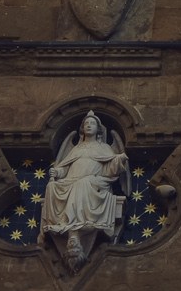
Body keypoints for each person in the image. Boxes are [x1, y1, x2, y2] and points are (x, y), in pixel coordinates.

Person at [41, 110, 129, 265]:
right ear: (82, 128)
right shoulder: (76, 149)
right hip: (71, 181)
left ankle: (76, 222)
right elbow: (65, 169)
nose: (89, 126)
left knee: (83, 183)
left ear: (98, 129)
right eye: (86, 123)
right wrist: (57, 171)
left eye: (92, 123)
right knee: (52, 186)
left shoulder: (104, 148)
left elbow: (109, 170)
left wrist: (119, 160)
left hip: (95, 182)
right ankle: (62, 223)